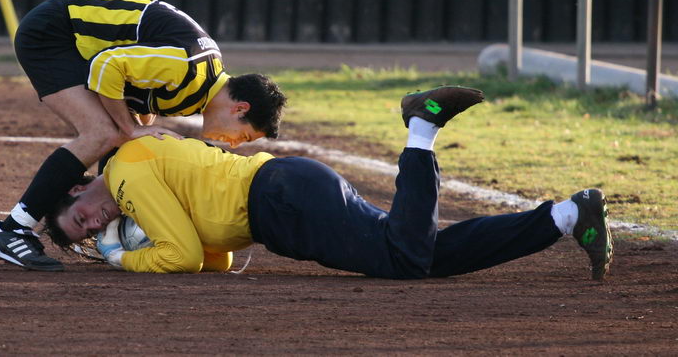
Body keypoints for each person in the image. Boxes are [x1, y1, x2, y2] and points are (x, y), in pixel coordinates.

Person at [43, 86, 613, 281]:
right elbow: (209, 262)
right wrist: (148, 240)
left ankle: (421, 128)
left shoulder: (129, 175)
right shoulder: (136, 189)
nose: (95, 227)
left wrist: (126, 261)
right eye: (90, 236)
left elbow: (186, 256)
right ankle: (567, 216)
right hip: (287, 194)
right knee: (422, 253)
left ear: (74, 190)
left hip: (281, 204)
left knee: (406, 260)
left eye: (79, 220)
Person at [0, 0, 287, 271]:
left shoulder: (198, 87)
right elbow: (109, 65)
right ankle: (12, 229)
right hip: (54, 32)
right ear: (240, 108)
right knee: (104, 132)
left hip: (75, 42)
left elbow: (133, 101)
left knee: (123, 136)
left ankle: (112, 225)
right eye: (244, 135)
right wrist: (129, 129)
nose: (234, 144)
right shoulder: (189, 67)